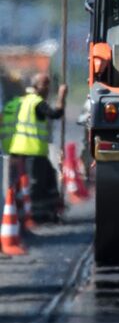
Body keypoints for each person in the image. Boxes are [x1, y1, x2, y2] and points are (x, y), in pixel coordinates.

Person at [1, 73, 67, 221]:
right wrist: (62, 96)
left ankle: (46, 210)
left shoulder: (16, 103)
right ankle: (36, 214)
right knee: (36, 184)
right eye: (45, 85)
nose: (48, 89)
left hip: (14, 151)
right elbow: (56, 114)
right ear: (36, 86)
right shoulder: (36, 103)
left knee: (47, 177)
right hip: (32, 150)